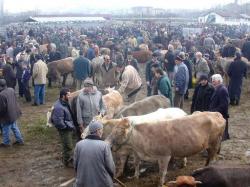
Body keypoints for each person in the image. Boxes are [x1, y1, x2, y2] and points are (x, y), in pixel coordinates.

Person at [74, 121, 115, 187]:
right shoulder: (104, 145)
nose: (102, 132)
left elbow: (75, 165)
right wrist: (112, 176)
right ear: (98, 130)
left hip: (82, 182)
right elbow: (110, 167)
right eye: (102, 130)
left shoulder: (79, 144)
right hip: (102, 183)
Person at [51, 88, 75, 167]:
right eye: (68, 95)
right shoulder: (58, 107)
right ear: (63, 96)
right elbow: (58, 121)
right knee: (68, 146)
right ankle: (68, 162)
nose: (70, 96)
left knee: (66, 145)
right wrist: (66, 127)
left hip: (68, 127)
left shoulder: (65, 103)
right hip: (65, 130)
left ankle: (66, 161)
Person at [0, 79, 24, 147]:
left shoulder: (1, 95)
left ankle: (6, 143)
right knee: (14, 127)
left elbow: (2, 109)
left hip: (7, 116)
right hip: (14, 113)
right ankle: (20, 140)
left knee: (5, 129)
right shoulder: (11, 89)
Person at [209, 74, 230, 141]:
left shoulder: (222, 90)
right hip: (216, 114)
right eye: (212, 81)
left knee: (220, 135)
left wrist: (213, 111)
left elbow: (224, 105)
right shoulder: (217, 88)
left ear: (219, 81)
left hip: (220, 115)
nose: (212, 83)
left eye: (214, 81)